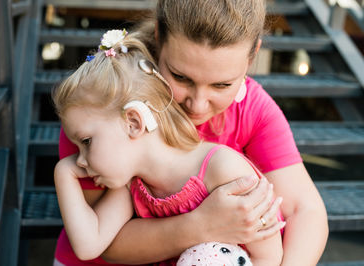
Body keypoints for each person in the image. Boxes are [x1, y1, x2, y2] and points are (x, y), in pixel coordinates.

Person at [53, 0, 328, 265]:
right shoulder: (103, 107)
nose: (197, 105)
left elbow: (305, 211)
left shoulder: (251, 112)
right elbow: (105, 245)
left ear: (253, 55)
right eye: (181, 77)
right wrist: (201, 225)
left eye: (221, 85)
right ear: (160, 37)